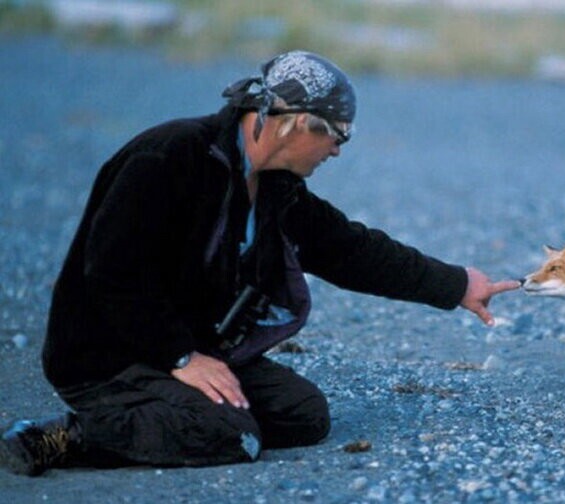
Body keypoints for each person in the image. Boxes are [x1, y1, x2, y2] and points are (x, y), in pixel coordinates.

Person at [0, 50, 519, 477]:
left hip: (185, 344)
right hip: (110, 354)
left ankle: (169, 416)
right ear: (296, 123)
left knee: (304, 416)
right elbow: (110, 275)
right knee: (232, 435)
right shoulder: (169, 157)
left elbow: (349, 249)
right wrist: (182, 357)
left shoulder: (276, 187)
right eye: (338, 135)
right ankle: (67, 435)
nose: (338, 151)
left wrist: (455, 285)